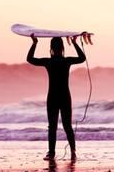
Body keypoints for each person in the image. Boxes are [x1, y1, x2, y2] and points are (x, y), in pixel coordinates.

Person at [26, 32, 87, 161]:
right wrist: (75, 43)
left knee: (52, 126)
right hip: (65, 96)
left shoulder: (48, 62)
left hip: (52, 97)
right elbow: (82, 58)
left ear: (51, 49)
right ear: (63, 48)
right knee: (67, 126)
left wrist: (34, 43)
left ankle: (52, 153)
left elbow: (30, 59)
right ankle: (73, 151)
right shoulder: (67, 61)